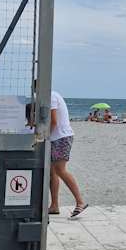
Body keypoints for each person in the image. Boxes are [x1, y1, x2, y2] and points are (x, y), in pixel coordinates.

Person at [47, 88, 87, 218]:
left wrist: (45, 136)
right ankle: (54, 205)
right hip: (55, 138)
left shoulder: (51, 96)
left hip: (62, 137)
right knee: (52, 172)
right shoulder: (50, 96)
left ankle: (80, 202)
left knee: (60, 170)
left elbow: (54, 121)